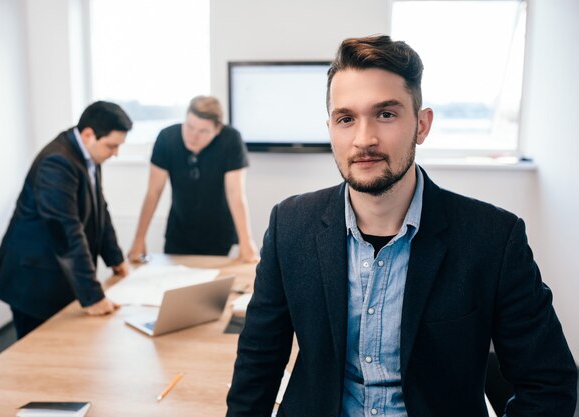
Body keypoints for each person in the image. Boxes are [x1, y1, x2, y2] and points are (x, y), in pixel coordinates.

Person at [226, 35, 577, 416]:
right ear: (330, 129)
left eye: (386, 114)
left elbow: (549, 384)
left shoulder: (493, 238)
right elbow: (256, 369)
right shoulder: (290, 225)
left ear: (421, 125)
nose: (364, 139)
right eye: (346, 119)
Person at [0, 101, 132, 339]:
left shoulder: (90, 156)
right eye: (112, 146)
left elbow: (100, 211)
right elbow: (66, 232)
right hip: (34, 280)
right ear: (89, 135)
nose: (115, 154)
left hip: (58, 274)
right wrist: (93, 295)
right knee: (38, 358)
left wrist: (116, 260)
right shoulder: (57, 162)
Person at [128, 95, 258, 262]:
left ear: (217, 130)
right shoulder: (167, 138)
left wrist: (246, 242)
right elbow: (153, 192)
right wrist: (139, 239)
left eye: (203, 131)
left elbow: (235, 194)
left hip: (218, 234)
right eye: (189, 127)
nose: (193, 136)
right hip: (178, 232)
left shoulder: (230, 140)